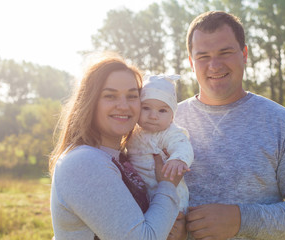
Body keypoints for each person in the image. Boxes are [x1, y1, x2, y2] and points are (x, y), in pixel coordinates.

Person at [174, 11, 285, 240]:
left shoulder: (281, 123)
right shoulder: (167, 122)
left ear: (244, 54)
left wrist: (241, 220)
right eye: (203, 56)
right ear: (191, 62)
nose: (214, 65)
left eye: (225, 52)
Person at [49, 53, 186, 240]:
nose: (123, 106)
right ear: (90, 102)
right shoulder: (84, 162)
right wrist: (168, 185)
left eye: (132, 96)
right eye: (110, 96)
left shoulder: (121, 158)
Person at [127, 74, 194, 213]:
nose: (153, 116)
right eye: (146, 108)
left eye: (162, 110)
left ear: (172, 116)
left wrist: (178, 158)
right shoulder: (132, 131)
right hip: (143, 196)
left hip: (172, 197)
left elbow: (182, 144)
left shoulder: (169, 132)